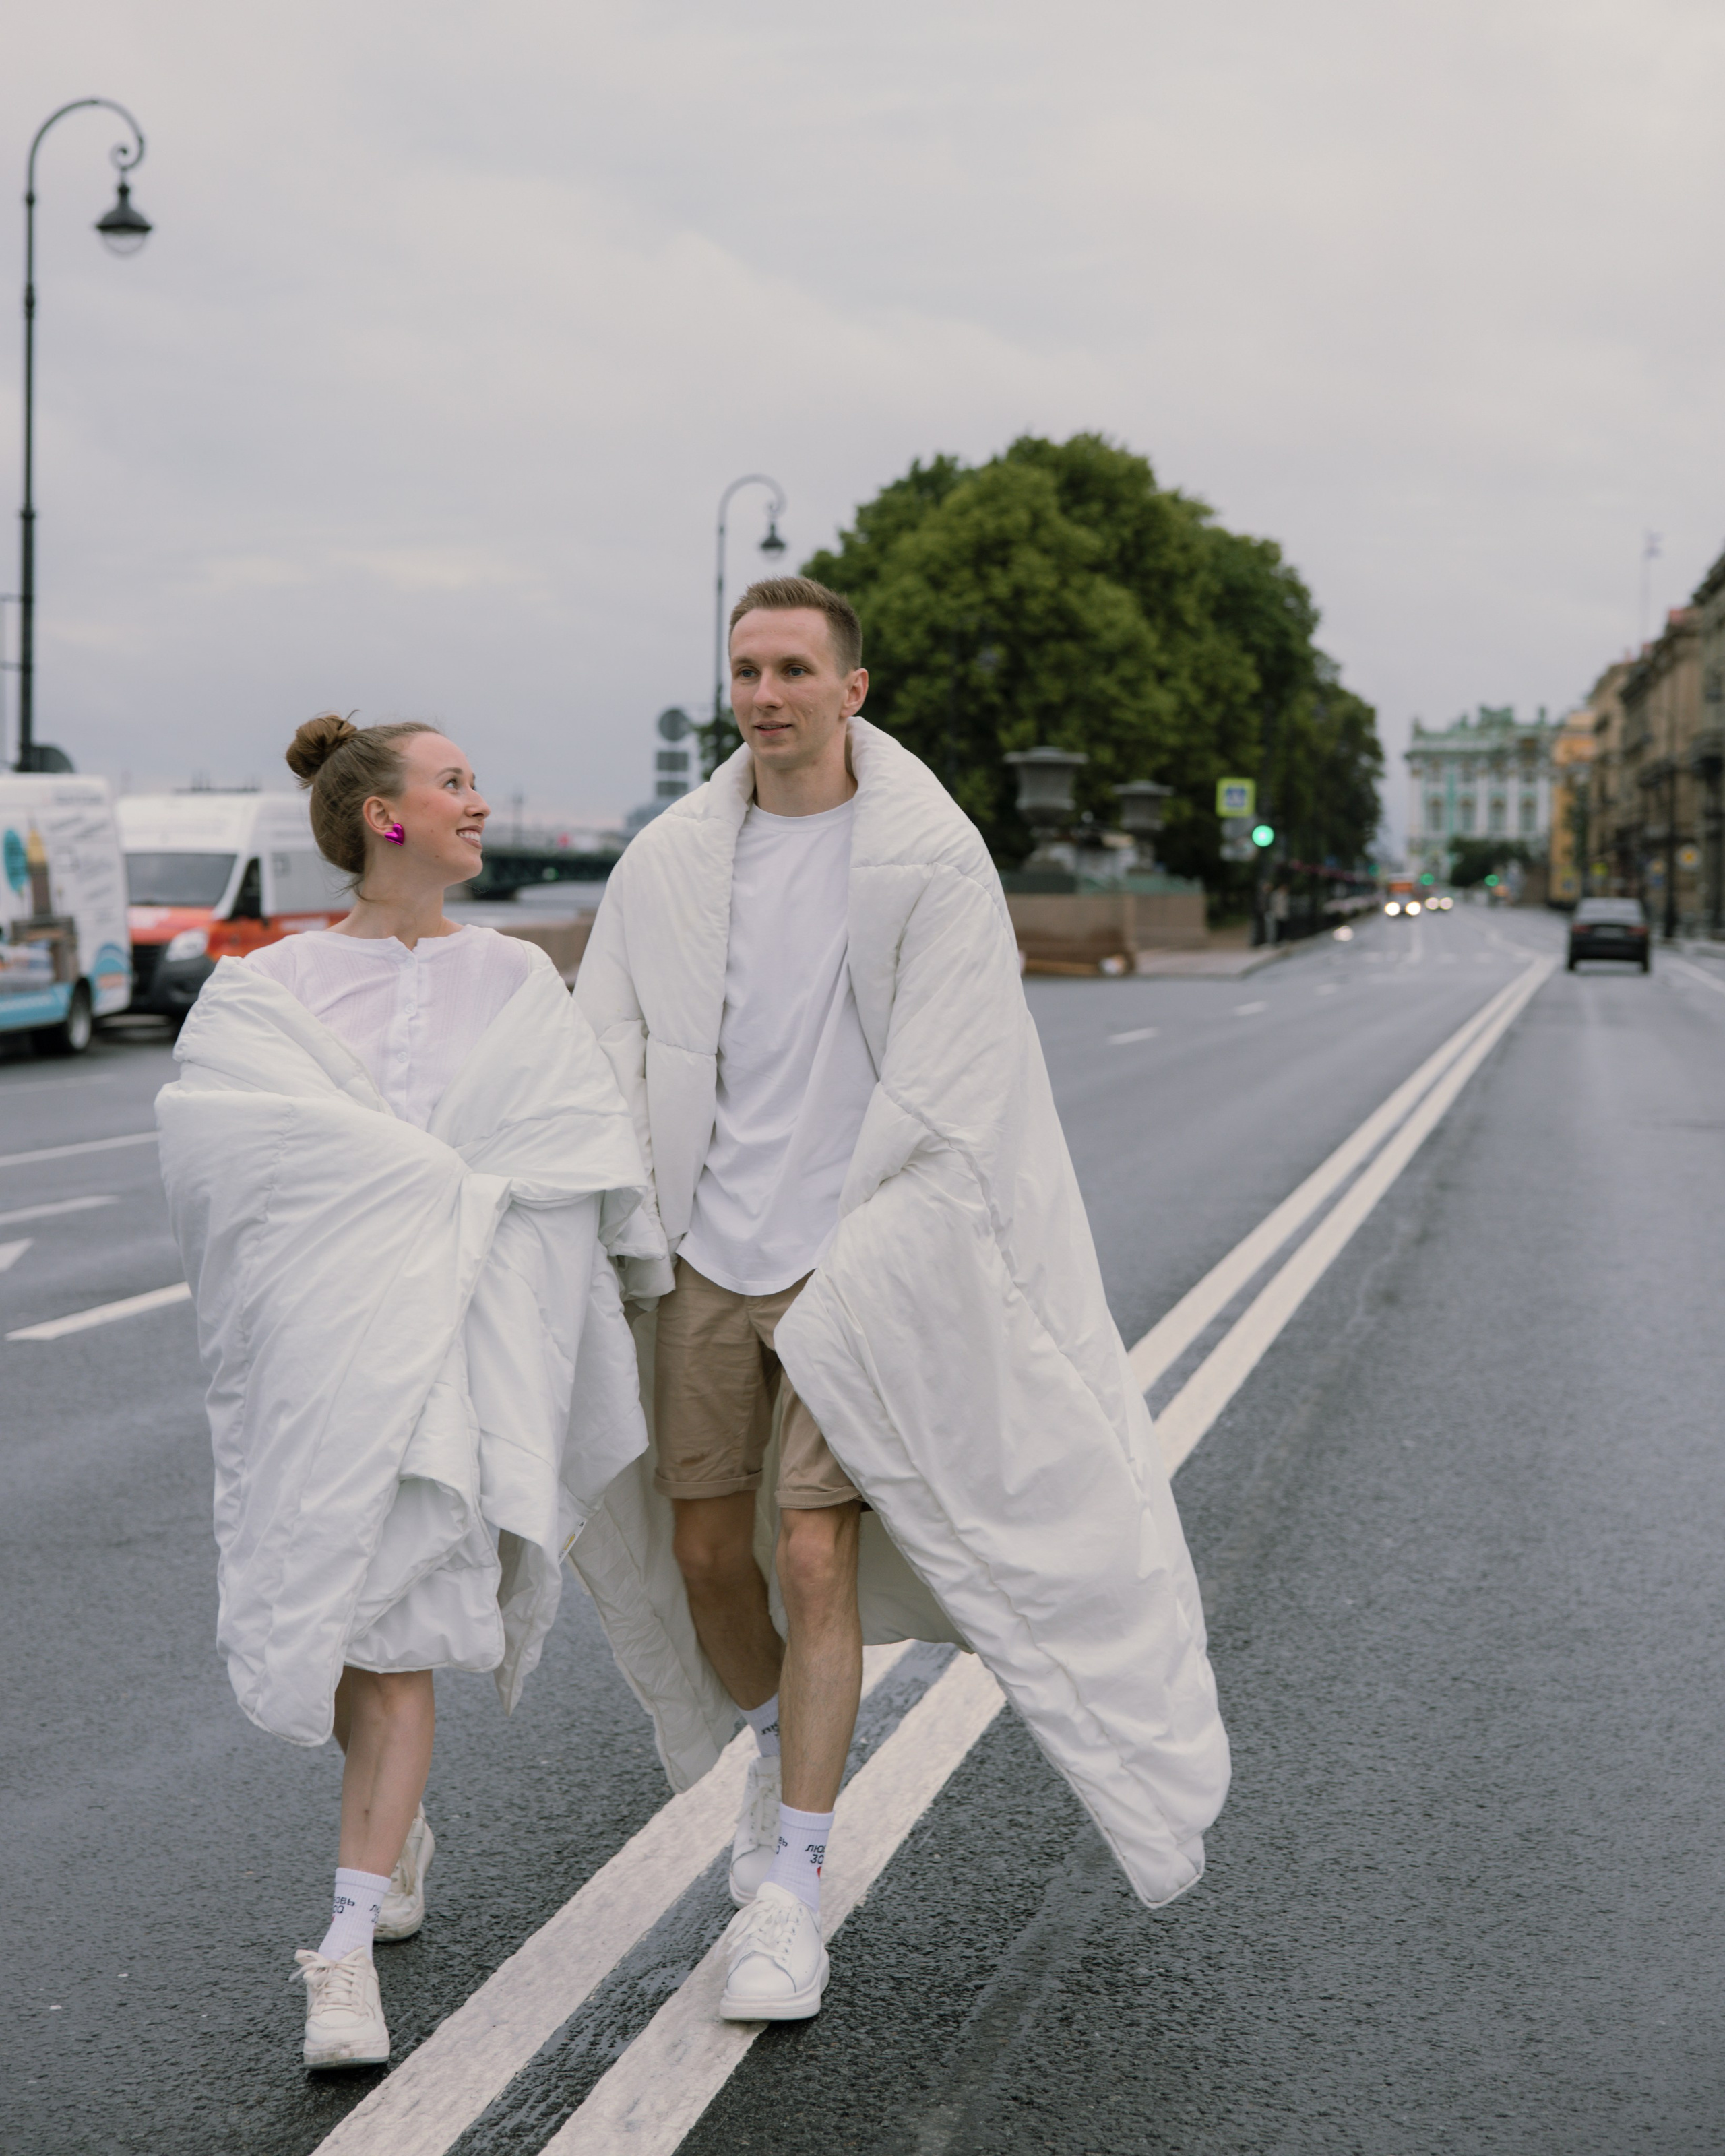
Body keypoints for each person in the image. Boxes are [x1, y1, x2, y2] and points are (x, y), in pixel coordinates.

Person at [571, 575, 1230, 2024]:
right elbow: (603, 1048)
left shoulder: (930, 856)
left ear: (851, 688)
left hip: (851, 1261)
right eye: (745, 668)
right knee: (704, 1555)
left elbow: (959, 1094)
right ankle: (767, 1750)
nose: (765, 694)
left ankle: (791, 1894)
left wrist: (869, 1251)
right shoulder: (670, 861)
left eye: (794, 668)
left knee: (813, 1560)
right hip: (700, 1256)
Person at [158, 715, 661, 2070]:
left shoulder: (513, 976)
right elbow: (218, 1159)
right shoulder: (274, 987)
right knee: (341, 1625)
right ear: (385, 817)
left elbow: (573, 1143)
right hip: (322, 1359)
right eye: (453, 783)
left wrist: (450, 1205)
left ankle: (342, 1946)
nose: (479, 801)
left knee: (394, 1646)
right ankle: (395, 1828)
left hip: (459, 1353)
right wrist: (400, 1190)